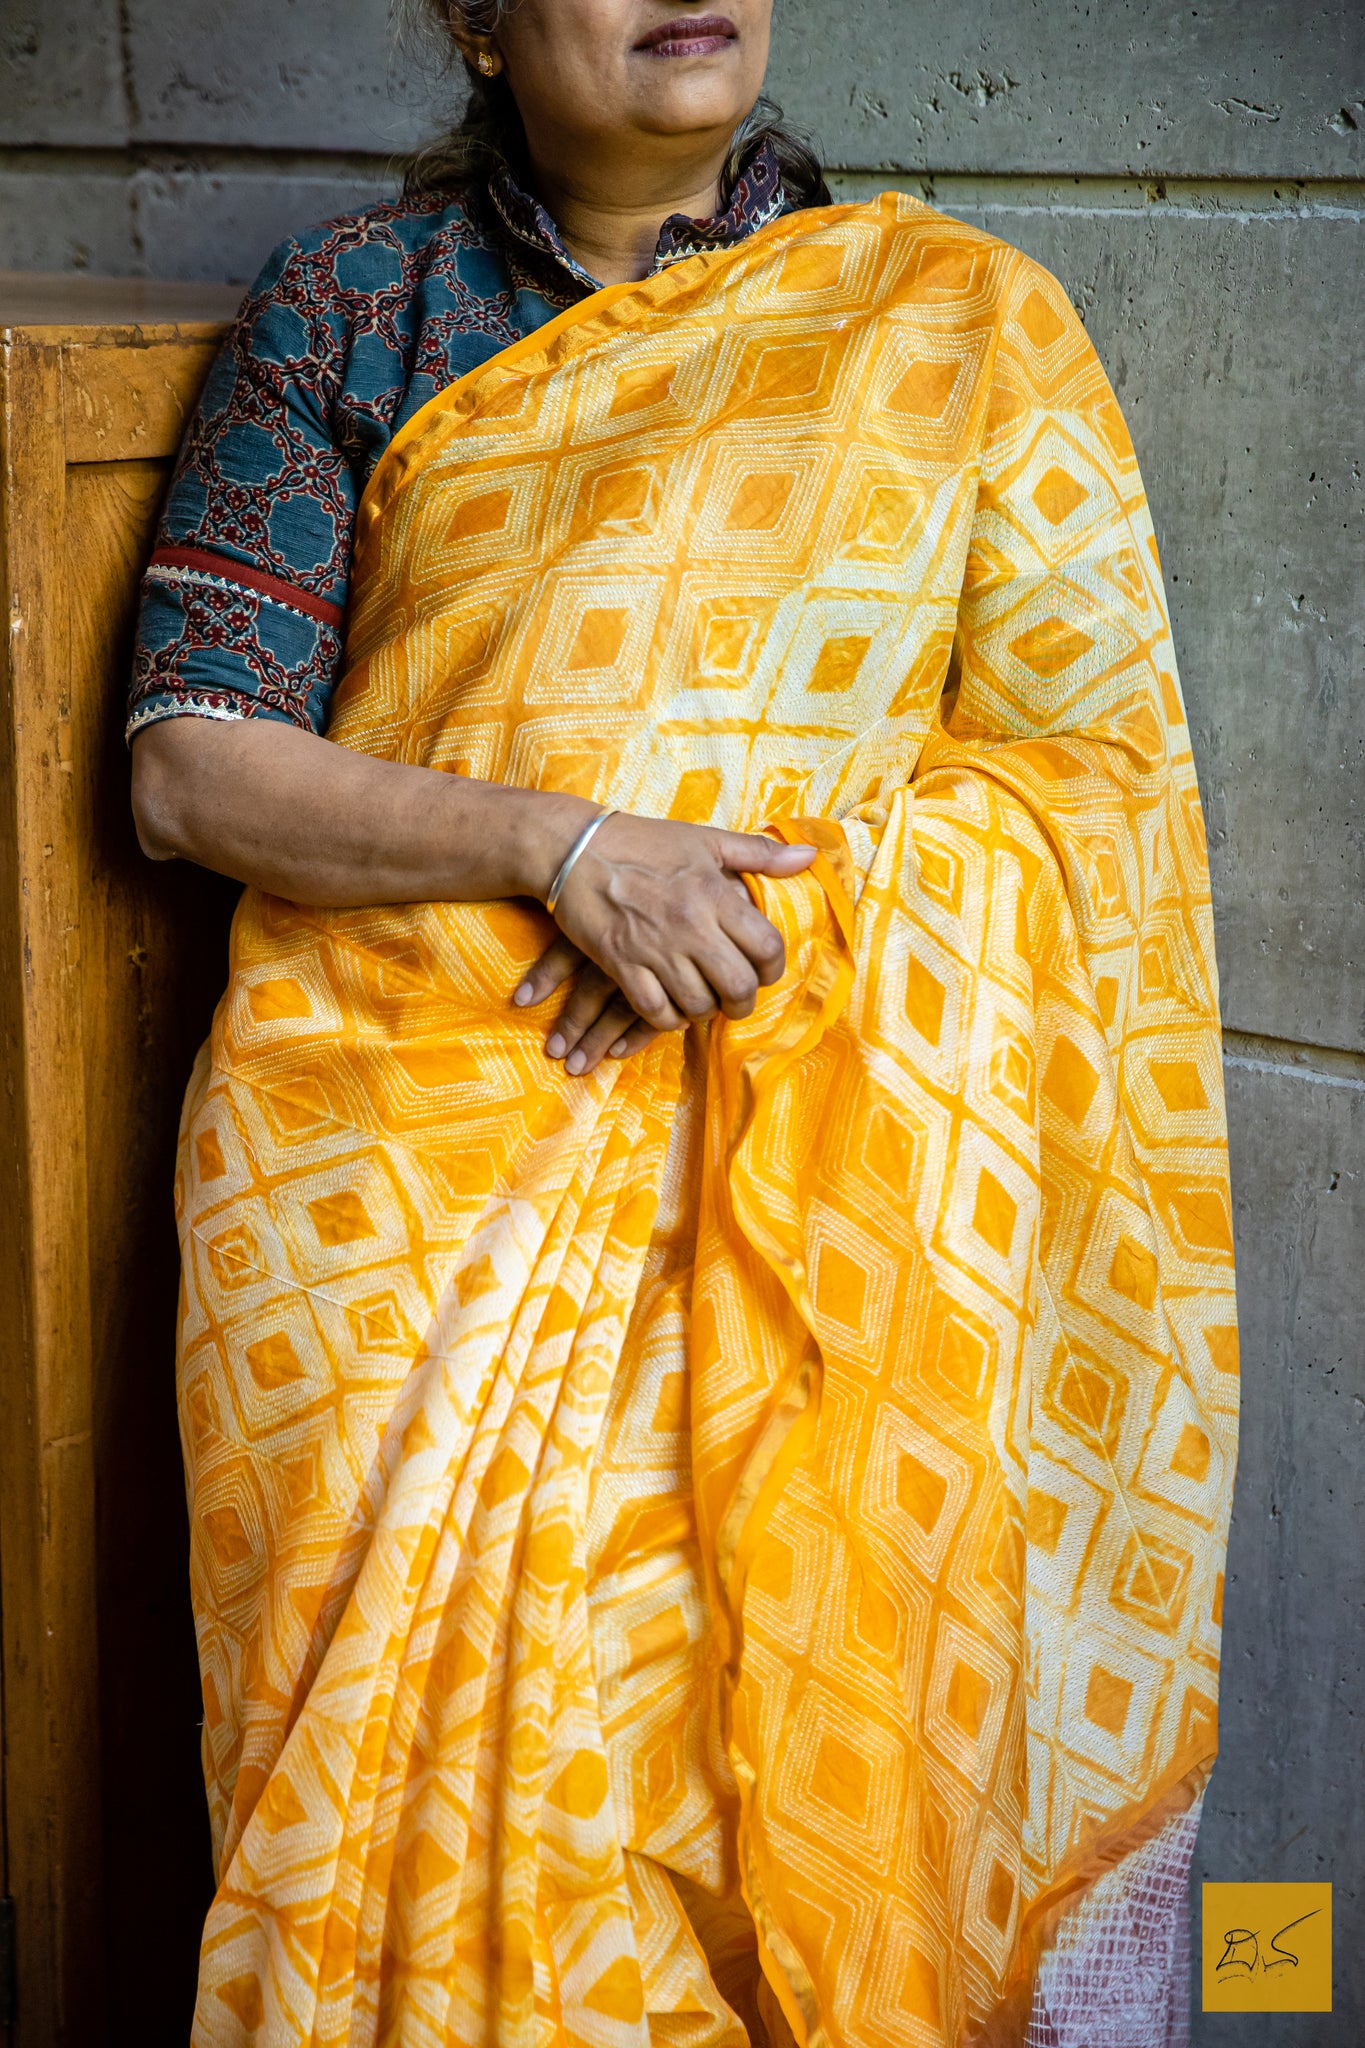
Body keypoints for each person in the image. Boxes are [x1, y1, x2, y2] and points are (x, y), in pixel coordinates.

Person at [130, 4, 1239, 2043]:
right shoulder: (350, 315)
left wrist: (760, 912)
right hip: (389, 1208)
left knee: (737, 1848)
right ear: (470, 23)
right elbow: (195, 770)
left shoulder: (952, 325)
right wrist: (566, 846)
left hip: (807, 1214)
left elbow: (1082, 794)